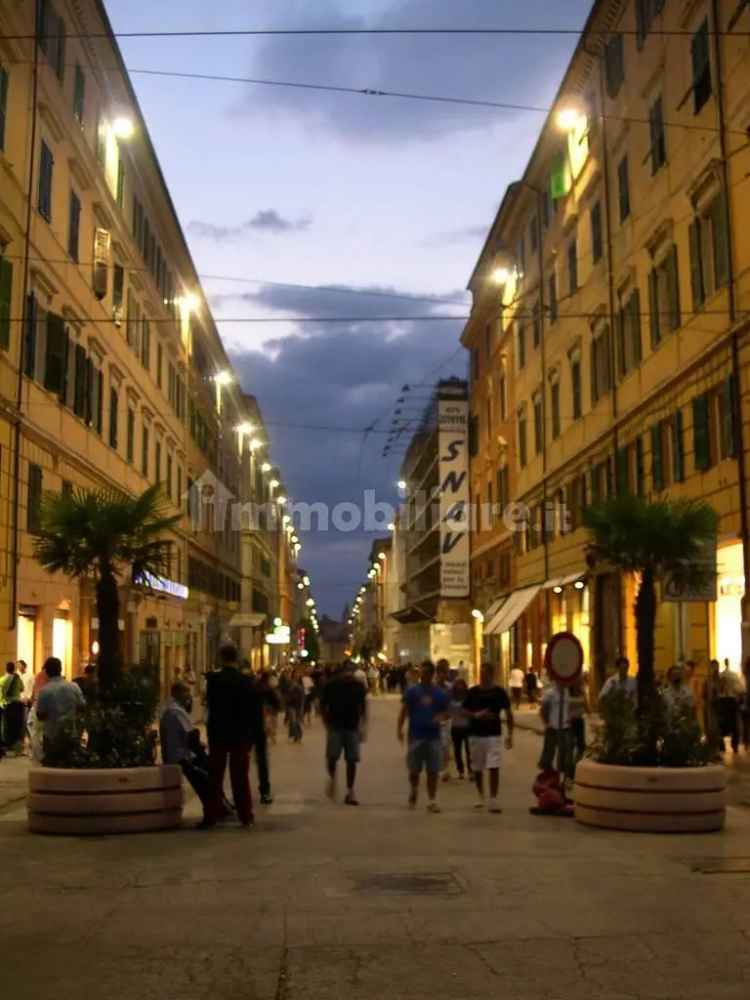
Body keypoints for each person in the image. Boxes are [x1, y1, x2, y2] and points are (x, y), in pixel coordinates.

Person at [203, 643, 257, 829]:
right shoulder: (245, 681)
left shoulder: (213, 680)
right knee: (240, 777)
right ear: (236, 658)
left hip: (218, 733)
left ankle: (210, 816)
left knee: (215, 776)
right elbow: (251, 711)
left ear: (221, 658)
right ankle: (245, 816)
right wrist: (251, 737)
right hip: (240, 735)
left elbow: (209, 706)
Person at [397, 661, 450, 813]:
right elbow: (404, 711)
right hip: (416, 736)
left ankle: (432, 800)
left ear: (432, 674)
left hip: (433, 737)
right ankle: (414, 788)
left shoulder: (439, 693)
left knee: (432, 771)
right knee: (414, 770)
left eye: (427, 673)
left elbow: (447, 712)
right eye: (422, 672)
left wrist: (441, 717)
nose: (424, 676)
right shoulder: (412, 691)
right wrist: (399, 729)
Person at [160, 682, 214, 826]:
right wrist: (200, 751)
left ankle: (212, 809)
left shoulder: (169, 709)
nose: (189, 696)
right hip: (181, 756)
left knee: (203, 775)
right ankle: (210, 811)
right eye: (186, 693)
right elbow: (191, 735)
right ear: (177, 694)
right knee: (203, 779)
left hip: (175, 753)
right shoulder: (176, 711)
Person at [463, 663, 514, 812]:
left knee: (494, 765)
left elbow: (509, 713)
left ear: (491, 675)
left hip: (493, 734)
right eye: (481, 673)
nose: (482, 676)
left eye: (485, 674)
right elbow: (462, 711)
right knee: (478, 768)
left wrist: (510, 734)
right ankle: (480, 795)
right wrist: (475, 715)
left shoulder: (499, 692)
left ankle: (493, 799)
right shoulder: (472, 692)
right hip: (475, 734)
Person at [321, 663, 368, 805]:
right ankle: (332, 777)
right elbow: (323, 705)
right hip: (335, 726)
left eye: (351, 671)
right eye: (346, 671)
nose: (348, 674)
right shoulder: (331, 685)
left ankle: (350, 791)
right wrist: (326, 723)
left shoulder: (358, 687)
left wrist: (363, 725)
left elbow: (363, 707)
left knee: (352, 760)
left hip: (352, 727)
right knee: (332, 757)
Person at [35, 657, 85, 756]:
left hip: (51, 736)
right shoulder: (74, 687)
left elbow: (40, 715)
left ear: (46, 672)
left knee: (51, 767)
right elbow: (82, 707)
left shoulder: (45, 691)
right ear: (60, 670)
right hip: (71, 734)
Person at [251, 672, 281, 805]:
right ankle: (264, 791)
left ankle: (240, 793)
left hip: (245, 727)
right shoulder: (267, 690)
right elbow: (277, 704)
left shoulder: (250, 687)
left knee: (242, 759)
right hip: (259, 726)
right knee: (262, 759)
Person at [539, 681, 574, 782]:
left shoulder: (567, 692)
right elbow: (543, 710)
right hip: (553, 727)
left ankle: (565, 777)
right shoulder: (550, 693)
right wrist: (546, 723)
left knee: (567, 753)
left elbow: (569, 706)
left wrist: (569, 717)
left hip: (566, 727)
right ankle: (548, 778)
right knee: (548, 754)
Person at [718, 659, 744, 754]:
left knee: (722, 723)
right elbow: (740, 689)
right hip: (732, 700)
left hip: (723, 700)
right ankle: (734, 745)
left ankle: (722, 746)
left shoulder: (721, 675)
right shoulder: (734, 675)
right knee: (734, 724)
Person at [0, 662, 25, 754]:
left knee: (7, 726)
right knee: (17, 726)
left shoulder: (2, 679)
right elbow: (22, 688)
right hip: (18, 705)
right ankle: (17, 747)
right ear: (14, 669)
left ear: (6, 669)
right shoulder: (17, 678)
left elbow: (2, 692)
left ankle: (7, 746)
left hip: (7, 705)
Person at [448, 678, 471, 780]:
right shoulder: (451, 698)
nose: (459, 687)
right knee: (457, 751)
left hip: (468, 727)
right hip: (455, 727)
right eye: (457, 685)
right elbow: (448, 712)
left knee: (469, 751)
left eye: (461, 685)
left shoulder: (469, 697)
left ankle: (471, 771)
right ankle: (461, 771)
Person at [568, 678, 589, 761]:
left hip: (579, 720)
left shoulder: (582, 693)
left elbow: (587, 707)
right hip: (569, 721)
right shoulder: (566, 692)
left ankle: (576, 762)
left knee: (581, 745)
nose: (578, 683)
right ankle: (569, 765)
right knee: (570, 744)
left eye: (579, 682)